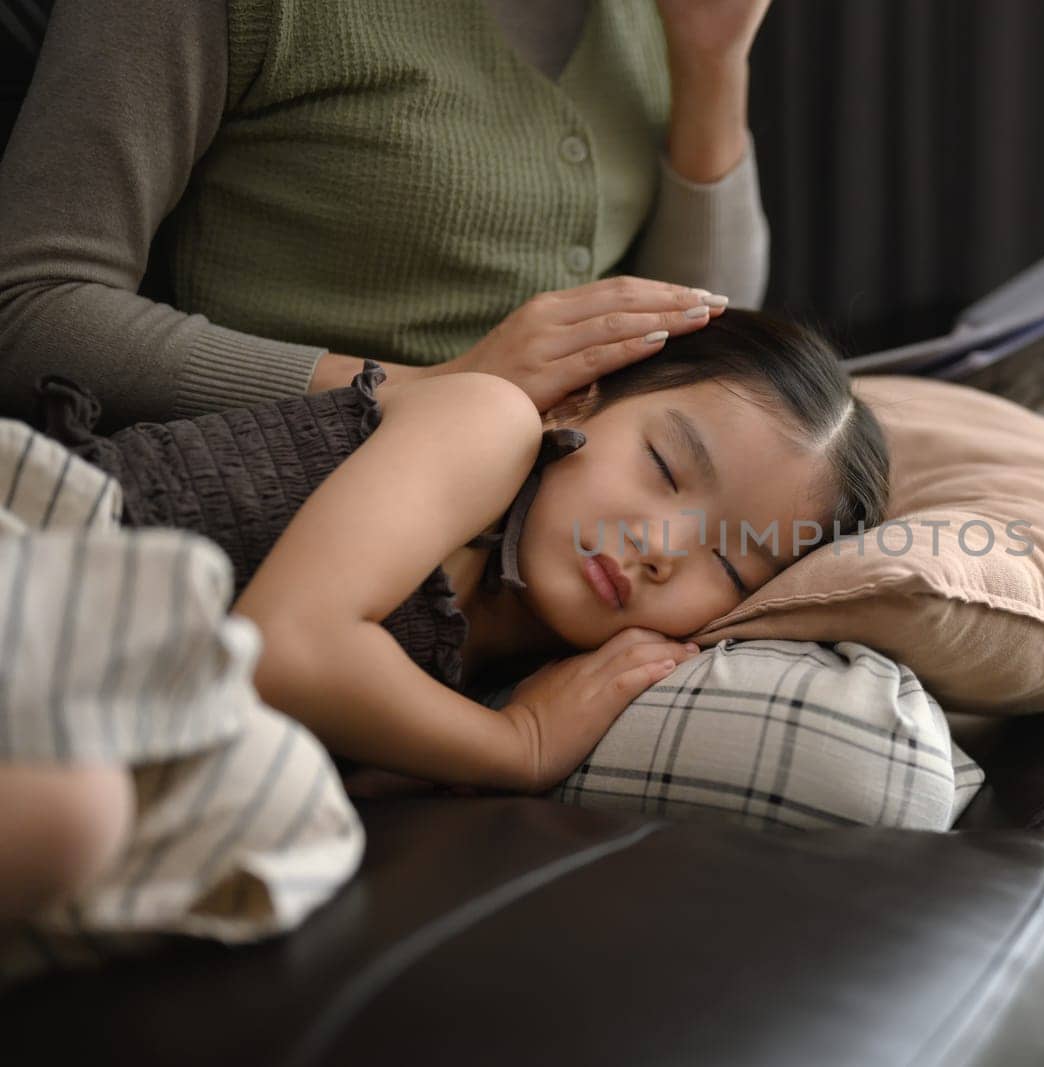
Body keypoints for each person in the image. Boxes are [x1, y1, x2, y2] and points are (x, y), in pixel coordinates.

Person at [0, 301, 891, 925]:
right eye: (662, 465)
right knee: (75, 813)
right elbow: (286, 646)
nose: (660, 544)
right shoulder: (488, 423)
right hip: (55, 548)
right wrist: (520, 747)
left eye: (729, 558)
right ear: (582, 400)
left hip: (118, 684)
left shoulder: (530, 660)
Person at [0, 0, 773, 427]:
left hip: (571, 553)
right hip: (296, 540)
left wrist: (712, 59)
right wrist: (420, 389)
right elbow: (30, 309)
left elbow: (711, 335)